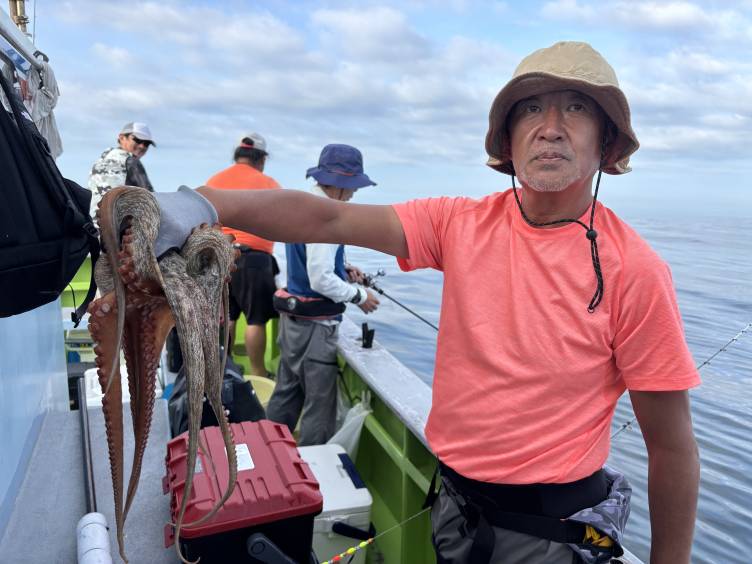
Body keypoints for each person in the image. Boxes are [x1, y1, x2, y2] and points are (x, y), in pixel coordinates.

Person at [154, 41, 700, 564]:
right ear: (508, 140)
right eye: (531, 108)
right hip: (455, 507)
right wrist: (203, 203)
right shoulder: (459, 223)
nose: (551, 126)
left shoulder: (635, 270)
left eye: (576, 108)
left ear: (607, 142)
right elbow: (328, 217)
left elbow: (672, 448)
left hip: (549, 532)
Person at [265, 144, 380, 446]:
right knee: (319, 408)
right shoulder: (326, 217)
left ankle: (268, 450)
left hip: (293, 323)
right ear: (339, 184)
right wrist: (359, 295)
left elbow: (308, 262)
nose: (353, 194)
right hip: (316, 331)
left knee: (286, 393)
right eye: (352, 187)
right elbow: (320, 279)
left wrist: (343, 268)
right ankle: (314, 465)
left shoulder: (302, 207)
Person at [205, 133, 281, 377]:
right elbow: (281, 221)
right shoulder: (269, 184)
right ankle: (258, 373)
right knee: (256, 320)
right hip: (254, 259)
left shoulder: (214, 180)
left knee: (227, 315)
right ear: (261, 159)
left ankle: (225, 369)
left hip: (220, 256)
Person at [88, 121, 155, 218]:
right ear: (122, 137)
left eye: (147, 143)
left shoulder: (100, 160)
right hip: (116, 225)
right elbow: (152, 198)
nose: (142, 146)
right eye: (137, 140)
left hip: (92, 223)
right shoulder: (131, 161)